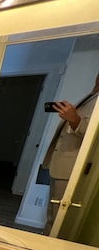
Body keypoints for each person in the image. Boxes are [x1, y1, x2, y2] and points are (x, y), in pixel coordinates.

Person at [42, 71, 99, 235]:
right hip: (61, 165)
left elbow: (93, 137)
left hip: (72, 168)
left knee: (61, 217)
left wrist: (74, 119)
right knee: (52, 214)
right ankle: (46, 244)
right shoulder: (91, 97)